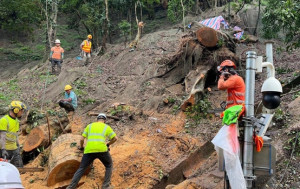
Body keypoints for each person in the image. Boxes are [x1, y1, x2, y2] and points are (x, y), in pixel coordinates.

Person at [67, 113, 117, 189]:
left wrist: (81, 147)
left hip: (89, 150)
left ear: (97, 119)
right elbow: (115, 138)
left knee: (81, 168)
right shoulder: (106, 127)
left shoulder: (89, 126)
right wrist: (108, 144)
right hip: (102, 150)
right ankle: (105, 186)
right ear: (105, 120)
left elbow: (81, 139)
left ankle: (71, 187)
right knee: (109, 165)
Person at [0, 101, 27, 167]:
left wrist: (18, 145)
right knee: (5, 171)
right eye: (21, 110)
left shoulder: (17, 121)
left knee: (20, 169)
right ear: (16, 110)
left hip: (14, 149)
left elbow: (16, 135)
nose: (22, 112)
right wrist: (3, 149)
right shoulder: (4, 120)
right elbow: (2, 136)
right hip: (5, 150)